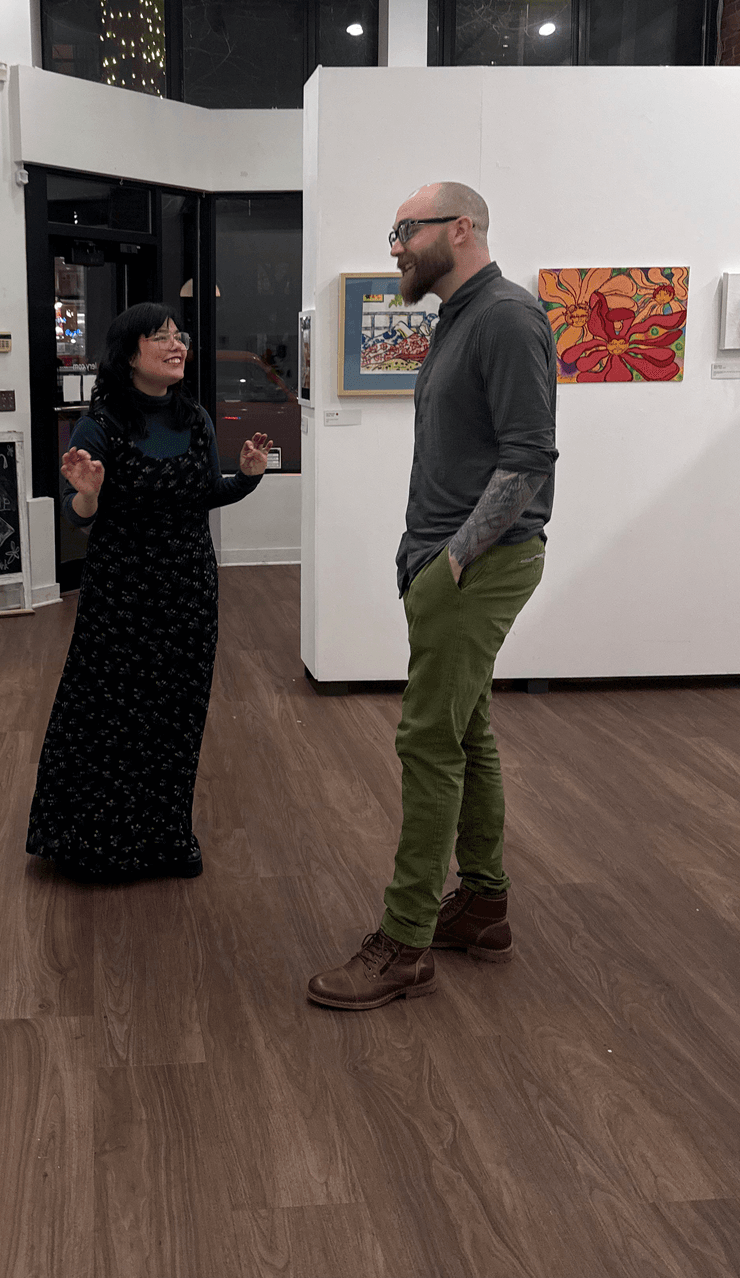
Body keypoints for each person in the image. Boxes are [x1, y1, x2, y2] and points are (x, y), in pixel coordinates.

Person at [307, 182, 557, 1010]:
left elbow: (528, 460)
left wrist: (453, 560)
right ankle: (483, 907)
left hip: (478, 567)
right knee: (465, 730)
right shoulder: (458, 317)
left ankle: (406, 941)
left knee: (426, 742)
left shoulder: (508, 317)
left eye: (405, 231)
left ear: (461, 228)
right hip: (445, 563)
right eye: (392, 233)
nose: (395, 247)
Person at [26, 302, 274, 882]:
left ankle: (166, 836)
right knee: (109, 718)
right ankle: (99, 843)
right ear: (129, 354)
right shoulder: (101, 424)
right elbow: (76, 515)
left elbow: (205, 494)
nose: (176, 344)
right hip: (121, 597)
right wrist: (88, 493)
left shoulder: (195, 419)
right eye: (160, 337)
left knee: (176, 719)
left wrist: (247, 478)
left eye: (178, 335)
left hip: (188, 593)